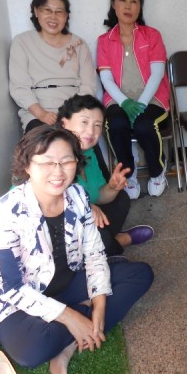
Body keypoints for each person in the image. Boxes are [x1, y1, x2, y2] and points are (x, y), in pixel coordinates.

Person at [0, 126, 154, 374]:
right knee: (31, 351)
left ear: (76, 162)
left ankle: (68, 344)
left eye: (67, 161)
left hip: (67, 282)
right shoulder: (4, 212)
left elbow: (94, 253)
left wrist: (99, 305)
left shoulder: (77, 195)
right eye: (47, 162)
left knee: (140, 274)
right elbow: (12, 288)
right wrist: (70, 317)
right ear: (27, 165)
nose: (58, 171)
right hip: (20, 297)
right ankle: (79, 318)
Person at [97, 0, 171, 199]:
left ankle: (157, 172)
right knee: (115, 124)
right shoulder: (104, 40)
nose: (128, 6)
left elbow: (157, 74)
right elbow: (106, 78)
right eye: (122, 0)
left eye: (134, 1)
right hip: (118, 99)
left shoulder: (152, 35)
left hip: (153, 99)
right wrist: (125, 102)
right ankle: (128, 175)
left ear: (140, 7)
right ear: (114, 4)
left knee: (144, 125)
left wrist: (141, 105)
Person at [57, 94, 154, 257]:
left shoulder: (88, 152)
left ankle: (101, 247)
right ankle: (118, 242)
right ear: (64, 123)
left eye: (97, 125)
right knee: (97, 233)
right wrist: (85, 207)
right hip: (52, 231)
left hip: (81, 222)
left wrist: (112, 187)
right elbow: (46, 204)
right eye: (84, 122)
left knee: (121, 199)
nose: (91, 131)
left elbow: (99, 197)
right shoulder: (53, 153)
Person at [9, 0, 99, 133]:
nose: (53, 17)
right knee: (45, 142)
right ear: (36, 11)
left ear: (66, 15)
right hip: (37, 113)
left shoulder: (79, 44)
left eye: (59, 12)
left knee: (83, 142)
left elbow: (88, 85)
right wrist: (42, 114)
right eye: (47, 10)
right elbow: (19, 88)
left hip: (74, 111)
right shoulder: (22, 42)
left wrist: (73, 114)